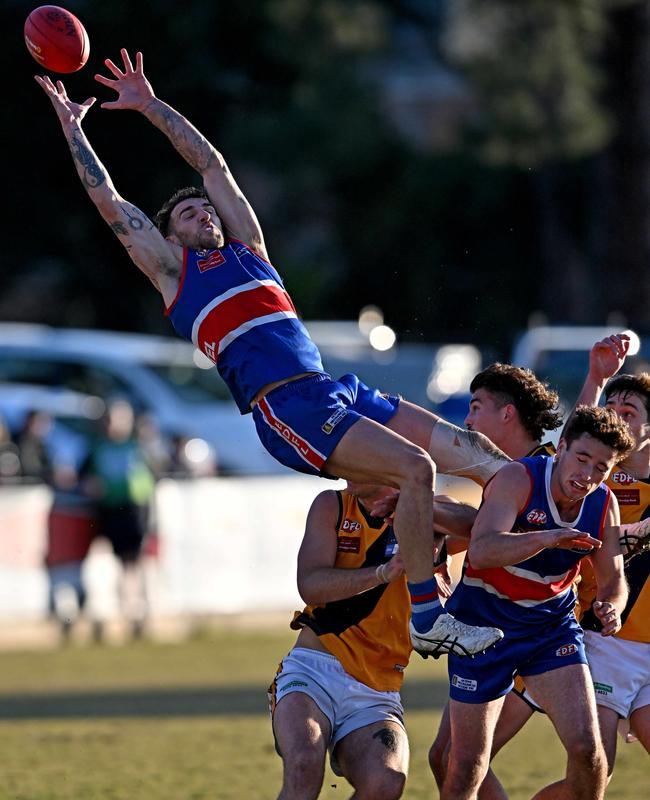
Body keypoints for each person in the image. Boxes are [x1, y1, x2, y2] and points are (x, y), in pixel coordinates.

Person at [36, 50, 508, 656]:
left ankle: (550, 537)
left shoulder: (251, 248)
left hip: (333, 388)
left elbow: (211, 165)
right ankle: (427, 617)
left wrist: (152, 107)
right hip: (287, 407)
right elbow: (111, 206)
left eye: (203, 207)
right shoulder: (174, 276)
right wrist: (74, 129)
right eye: (186, 213)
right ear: (170, 235)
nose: (202, 211)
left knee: (482, 462)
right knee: (416, 469)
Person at [437, 406, 634, 800]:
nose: (587, 475)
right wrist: (548, 537)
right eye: (581, 459)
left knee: (588, 749)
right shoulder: (517, 479)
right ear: (561, 447)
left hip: (549, 628)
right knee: (462, 766)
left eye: (600, 468)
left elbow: (613, 579)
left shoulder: (604, 502)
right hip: (481, 628)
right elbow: (482, 550)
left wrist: (613, 606)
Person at [269, 481, 476, 800]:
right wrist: (382, 572)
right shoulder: (333, 506)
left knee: (386, 783)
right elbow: (310, 585)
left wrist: (422, 510)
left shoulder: (421, 508)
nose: (349, 469)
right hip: (314, 669)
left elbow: (478, 524)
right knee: (302, 762)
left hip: (378, 689)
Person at [506, 336, 650, 800]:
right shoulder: (598, 482)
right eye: (611, 407)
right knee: (588, 769)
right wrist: (597, 376)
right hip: (594, 639)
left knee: (588, 771)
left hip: (643, 648)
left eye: (629, 411)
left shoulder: (616, 479)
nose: (616, 416)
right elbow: (581, 439)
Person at [430, 363, 564, 800]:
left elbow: (491, 539)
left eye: (476, 407)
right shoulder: (506, 474)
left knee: (460, 761)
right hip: (502, 635)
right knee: (453, 760)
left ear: (508, 414)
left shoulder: (543, 471)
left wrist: (429, 508)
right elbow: (482, 534)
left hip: (535, 639)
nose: (466, 420)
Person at [80, 398, 156, 640]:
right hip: (110, 510)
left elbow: (155, 473)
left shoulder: (139, 447)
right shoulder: (97, 449)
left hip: (135, 510)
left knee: (136, 561)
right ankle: (116, 613)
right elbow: (84, 478)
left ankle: (139, 613)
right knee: (116, 562)